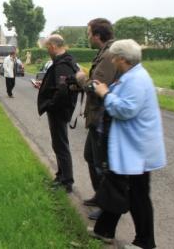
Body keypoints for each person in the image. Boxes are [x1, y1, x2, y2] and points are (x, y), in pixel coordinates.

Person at [88, 39, 167, 249]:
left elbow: (125, 110)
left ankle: (145, 242)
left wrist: (105, 94)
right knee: (117, 187)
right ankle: (104, 231)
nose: (112, 61)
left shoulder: (136, 80)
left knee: (138, 195)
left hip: (137, 149)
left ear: (122, 59)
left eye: (114, 57)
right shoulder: (131, 76)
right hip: (130, 147)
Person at [75, 18, 119, 220]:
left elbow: (97, 86)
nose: (88, 36)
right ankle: (100, 196)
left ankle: (107, 206)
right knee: (90, 156)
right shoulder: (105, 53)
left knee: (101, 162)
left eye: (89, 33)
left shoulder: (109, 55)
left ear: (98, 35)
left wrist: (82, 78)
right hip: (96, 116)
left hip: (102, 118)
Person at [37, 34, 79, 193]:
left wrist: (50, 104)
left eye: (48, 47)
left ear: (53, 46)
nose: (48, 51)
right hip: (61, 109)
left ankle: (66, 181)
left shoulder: (62, 64)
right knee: (58, 144)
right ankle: (61, 175)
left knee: (61, 145)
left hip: (59, 111)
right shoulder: (66, 61)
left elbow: (62, 91)